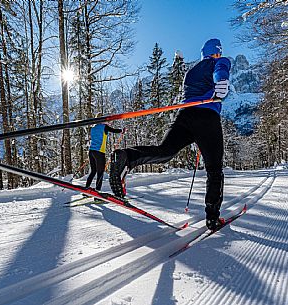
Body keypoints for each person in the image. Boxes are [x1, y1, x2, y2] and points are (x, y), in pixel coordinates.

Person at [109, 38, 231, 230]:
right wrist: (222, 82)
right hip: (207, 117)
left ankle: (128, 156)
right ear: (217, 52)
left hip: (186, 115)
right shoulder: (220, 61)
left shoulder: (190, 72)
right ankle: (212, 218)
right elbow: (220, 71)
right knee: (214, 170)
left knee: (164, 151)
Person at [85, 121, 123, 191]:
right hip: (99, 152)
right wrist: (122, 130)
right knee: (100, 172)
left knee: (93, 171)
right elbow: (114, 130)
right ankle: (97, 193)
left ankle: (86, 189)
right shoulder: (104, 127)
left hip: (91, 151)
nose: (108, 123)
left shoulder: (93, 128)